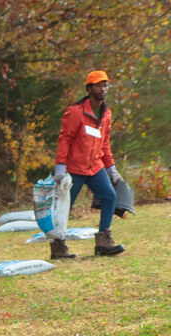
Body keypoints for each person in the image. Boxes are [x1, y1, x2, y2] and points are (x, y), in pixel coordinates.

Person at [53, 70, 126, 257]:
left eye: (106, 85)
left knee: (109, 196)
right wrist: (60, 167)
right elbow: (65, 139)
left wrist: (112, 169)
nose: (103, 88)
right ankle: (58, 246)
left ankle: (103, 241)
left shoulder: (106, 114)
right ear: (89, 88)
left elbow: (105, 143)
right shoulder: (75, 112)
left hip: (95, 167)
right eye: (99, 85)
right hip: (74, 169)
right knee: (64, 207)